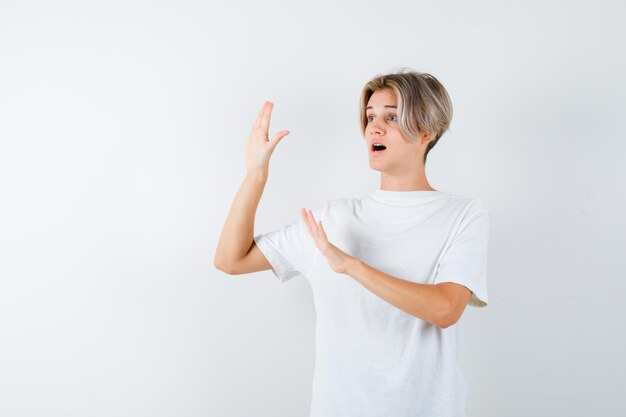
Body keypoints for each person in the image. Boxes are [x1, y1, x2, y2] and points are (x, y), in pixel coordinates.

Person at [214, 68, 491, 417]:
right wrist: (255, 175)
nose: (374, 127)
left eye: (391, 117)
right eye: (370, 116)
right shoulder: (332, 220)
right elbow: (230, 260)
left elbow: (445, 309)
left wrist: (352, 267)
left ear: (427, 130)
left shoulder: (463, 214)